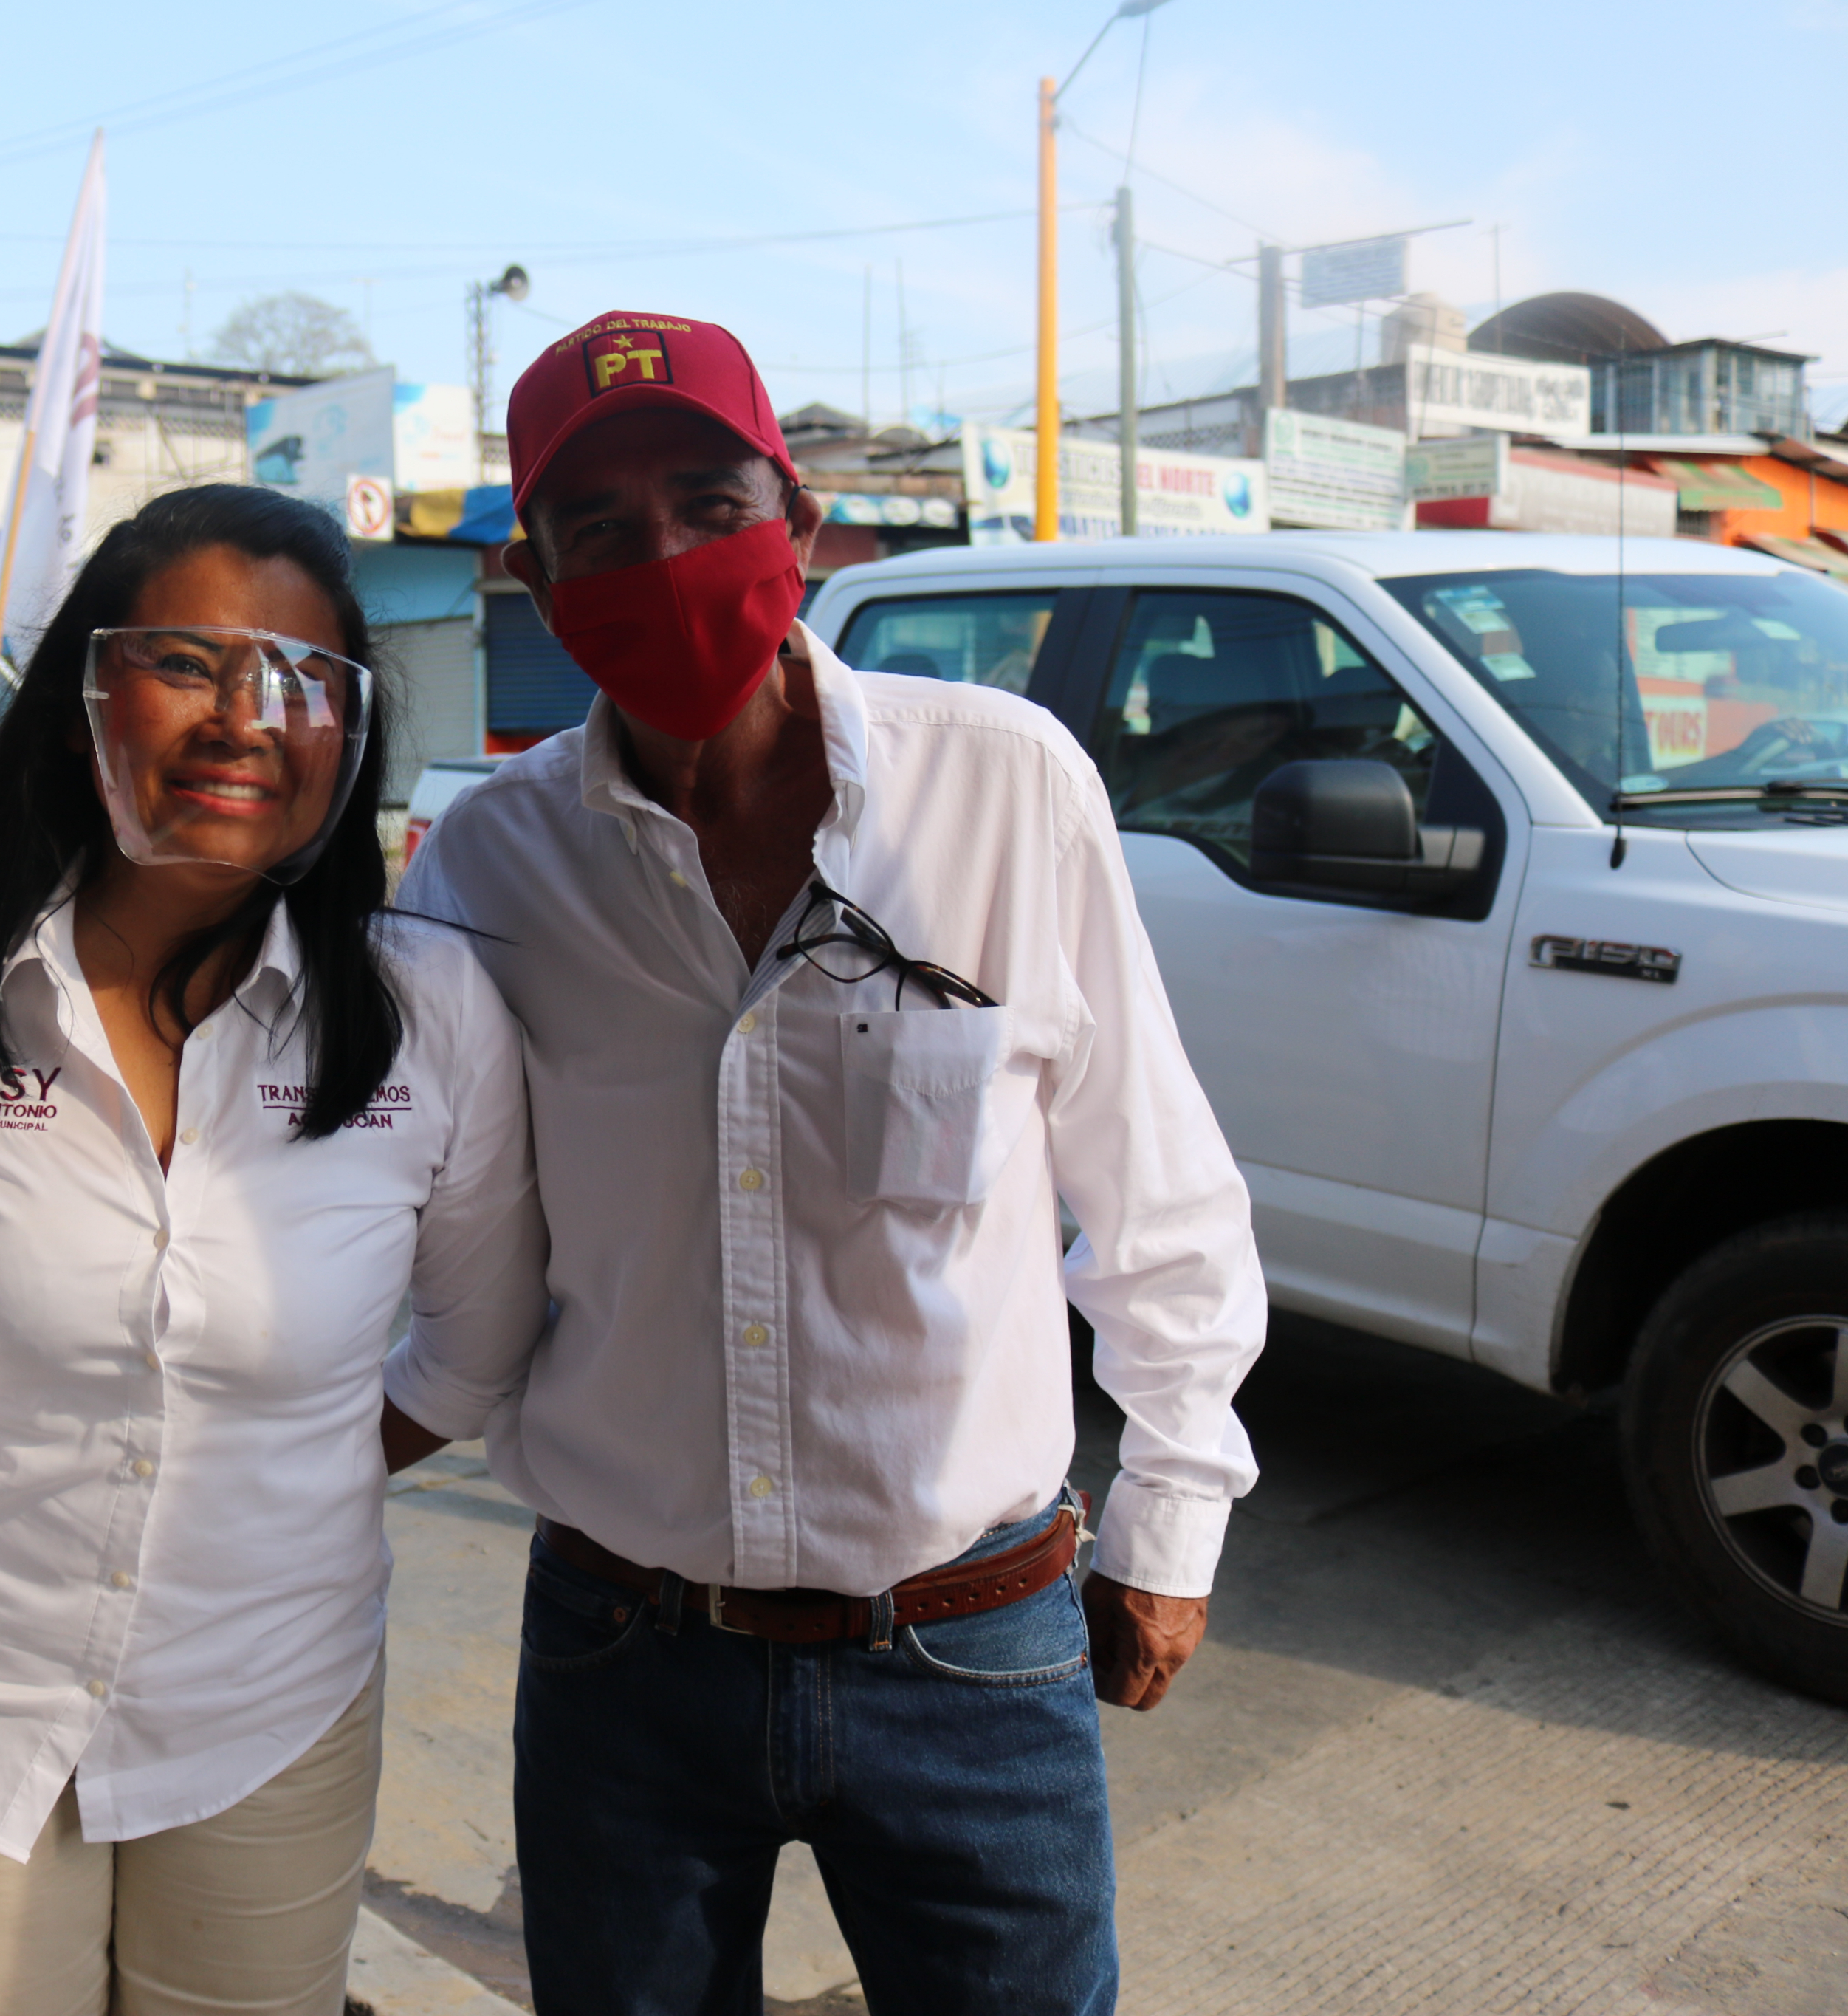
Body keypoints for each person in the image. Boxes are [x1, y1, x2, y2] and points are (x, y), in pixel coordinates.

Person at [384, 311, 1266, 2015]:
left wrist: (1175, 1504)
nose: (668, 561)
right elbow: (430, 1222)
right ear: (541, 582)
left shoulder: (1004, 789)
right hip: (622, 1655)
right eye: (604, 532)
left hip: (973, 1643)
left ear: (796, 521)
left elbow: (1152, 1183)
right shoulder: (489, 866)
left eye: (709, 502)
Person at [0, 483, 546, 2015]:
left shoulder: (429, 1019)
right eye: (186, 663)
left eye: (300, 681)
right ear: (86, 689)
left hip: (268, 1706)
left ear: (347, 739)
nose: (243, 718)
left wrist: (265, 1466)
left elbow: (475, 1349)